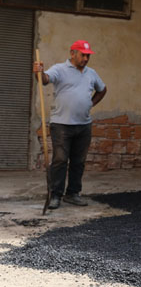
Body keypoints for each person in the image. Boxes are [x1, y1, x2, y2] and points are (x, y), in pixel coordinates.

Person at [33, 40, 108, 210]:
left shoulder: (91, 73)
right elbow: (45, 80)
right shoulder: (60, 69)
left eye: (88, 55)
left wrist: (90, 104)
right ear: (72, 53)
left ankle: (73, 193)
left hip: (83, 125)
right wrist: (39, 72)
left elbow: (102, 90)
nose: (86, 59)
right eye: (83, 55)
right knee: (60, 160)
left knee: (78, 161)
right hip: (61, 125)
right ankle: (55, 195)